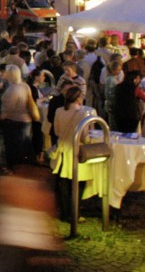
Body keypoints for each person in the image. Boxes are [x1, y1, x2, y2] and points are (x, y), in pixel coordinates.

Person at [50, 87, 91, 223]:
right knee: (78, 184)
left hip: (62, 151)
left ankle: (64, 212)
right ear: (78, 98)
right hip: (75, 151)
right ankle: (74, 212)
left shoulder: (59, 111)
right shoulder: (82, 114)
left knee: (63, 183)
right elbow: (84, 137)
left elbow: (56, 131)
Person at [0, 65, 40, 171]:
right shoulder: (25, 86)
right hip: (26, 120)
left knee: (12, 147)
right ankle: (24, 168)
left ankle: (13, 168)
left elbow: (7, 109)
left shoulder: (12, 90)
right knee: (23, 145)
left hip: (13, 121)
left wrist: (1, 117)